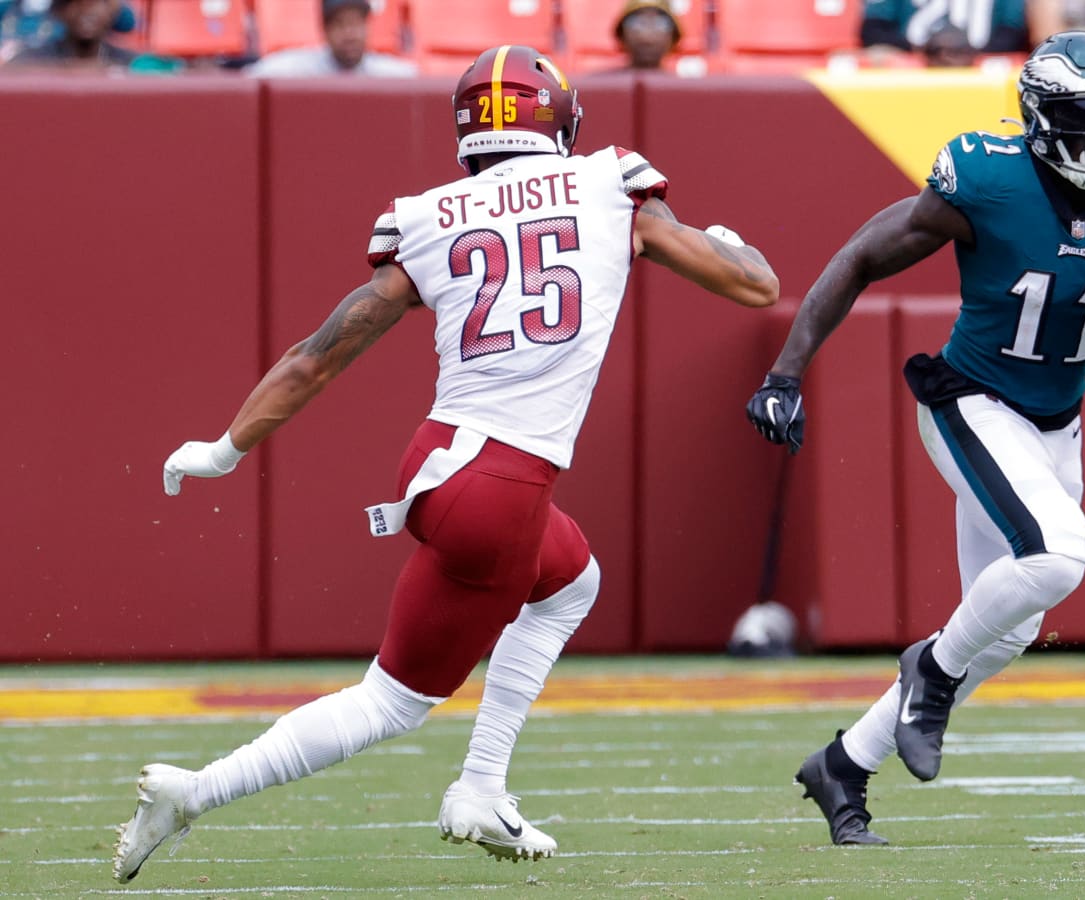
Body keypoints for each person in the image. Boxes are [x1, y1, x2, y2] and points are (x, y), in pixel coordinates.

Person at [111, 43, 778, 882]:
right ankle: (196, 791)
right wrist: (726, 240)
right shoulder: (613, 184)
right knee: (392, 702)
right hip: (503, 484)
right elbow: (756, 286)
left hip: (443, 465)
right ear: (561, 117)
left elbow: (319, 353)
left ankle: (485, 784)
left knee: (572, 579)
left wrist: (224, 446)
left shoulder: (429, 215)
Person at [745, 30, 1085, 846]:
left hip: (1059, 418)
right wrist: (785, 373)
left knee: (1013, 622)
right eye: (1079, 117)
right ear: (1037, 116)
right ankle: (933, 670)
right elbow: (859, 257)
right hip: (971, 399)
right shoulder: (984, 175)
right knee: (1059, 555)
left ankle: (844, 765)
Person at [245, 0, 416, 77]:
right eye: (340, 24)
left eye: (356, 24)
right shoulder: (302, 68)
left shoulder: (389, 73)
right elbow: (254, 77)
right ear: (325, 30)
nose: (350, 34)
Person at [859, 0, 1029, 64]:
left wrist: (963, 53)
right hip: (910, 67)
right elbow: (874, 29)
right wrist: (927, 51)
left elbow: (1013, 32)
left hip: (982, 67)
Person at [6, 0, 135, 67]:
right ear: (60, 10)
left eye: (97, 3)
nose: (87, 11)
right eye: (76, 2)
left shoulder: (129, 62)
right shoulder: (31, 59)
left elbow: (129, 22)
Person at [613, 0, 681, 71]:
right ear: (622, 34)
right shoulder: (604, 81)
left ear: (673, 36)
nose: (647, 35)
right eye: (636, 23)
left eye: (660, 23)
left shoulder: (682, 82)